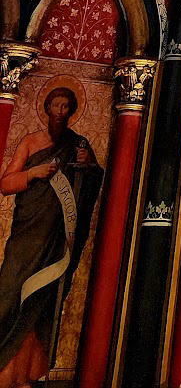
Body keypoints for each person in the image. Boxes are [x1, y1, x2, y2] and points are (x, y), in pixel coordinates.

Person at [0, 85, 103, 387]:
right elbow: (5, 184)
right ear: (46, 108)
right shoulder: (31, 142)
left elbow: (93, 183)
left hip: (56, 239)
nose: (60, 112)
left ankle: (28, 375)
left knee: (43, 303)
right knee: (9, 293)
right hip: (26, 234)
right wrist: (33, 173)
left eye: (66, 107)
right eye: (55, 106)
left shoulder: (78, 144)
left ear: (72, 111)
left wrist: (87, 166)